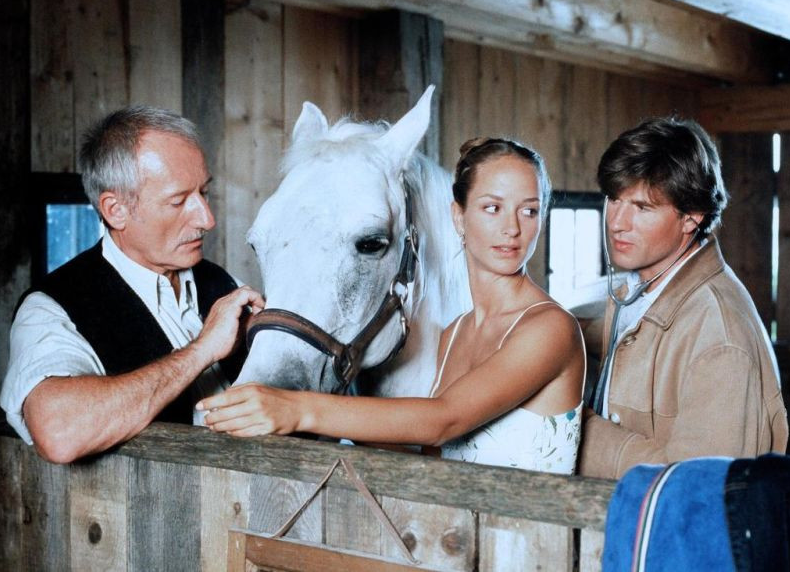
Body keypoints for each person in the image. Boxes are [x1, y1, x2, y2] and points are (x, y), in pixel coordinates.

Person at [198, 138, 586, 474]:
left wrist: (297, 409)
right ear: (458, 217)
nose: (512, 228)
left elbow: (445, 421)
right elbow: (436, 459)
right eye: (492, 207)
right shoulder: (456, 332)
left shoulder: (550, 327)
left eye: (529, 210)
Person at [0, 106, 264, 464]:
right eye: (178, 200)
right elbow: (59, 433)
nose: (207, 218)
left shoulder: (224, 284)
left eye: (204, 192)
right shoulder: (51, 308)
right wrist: (202, 350)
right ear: (115, 210)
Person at [578, 117, 788, 479]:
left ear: (692, 216)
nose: (617, 222)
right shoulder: (639, 289)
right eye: (614, 198)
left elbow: (699, 490)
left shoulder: (721, 340)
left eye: (642, 208)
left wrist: (575, 429)